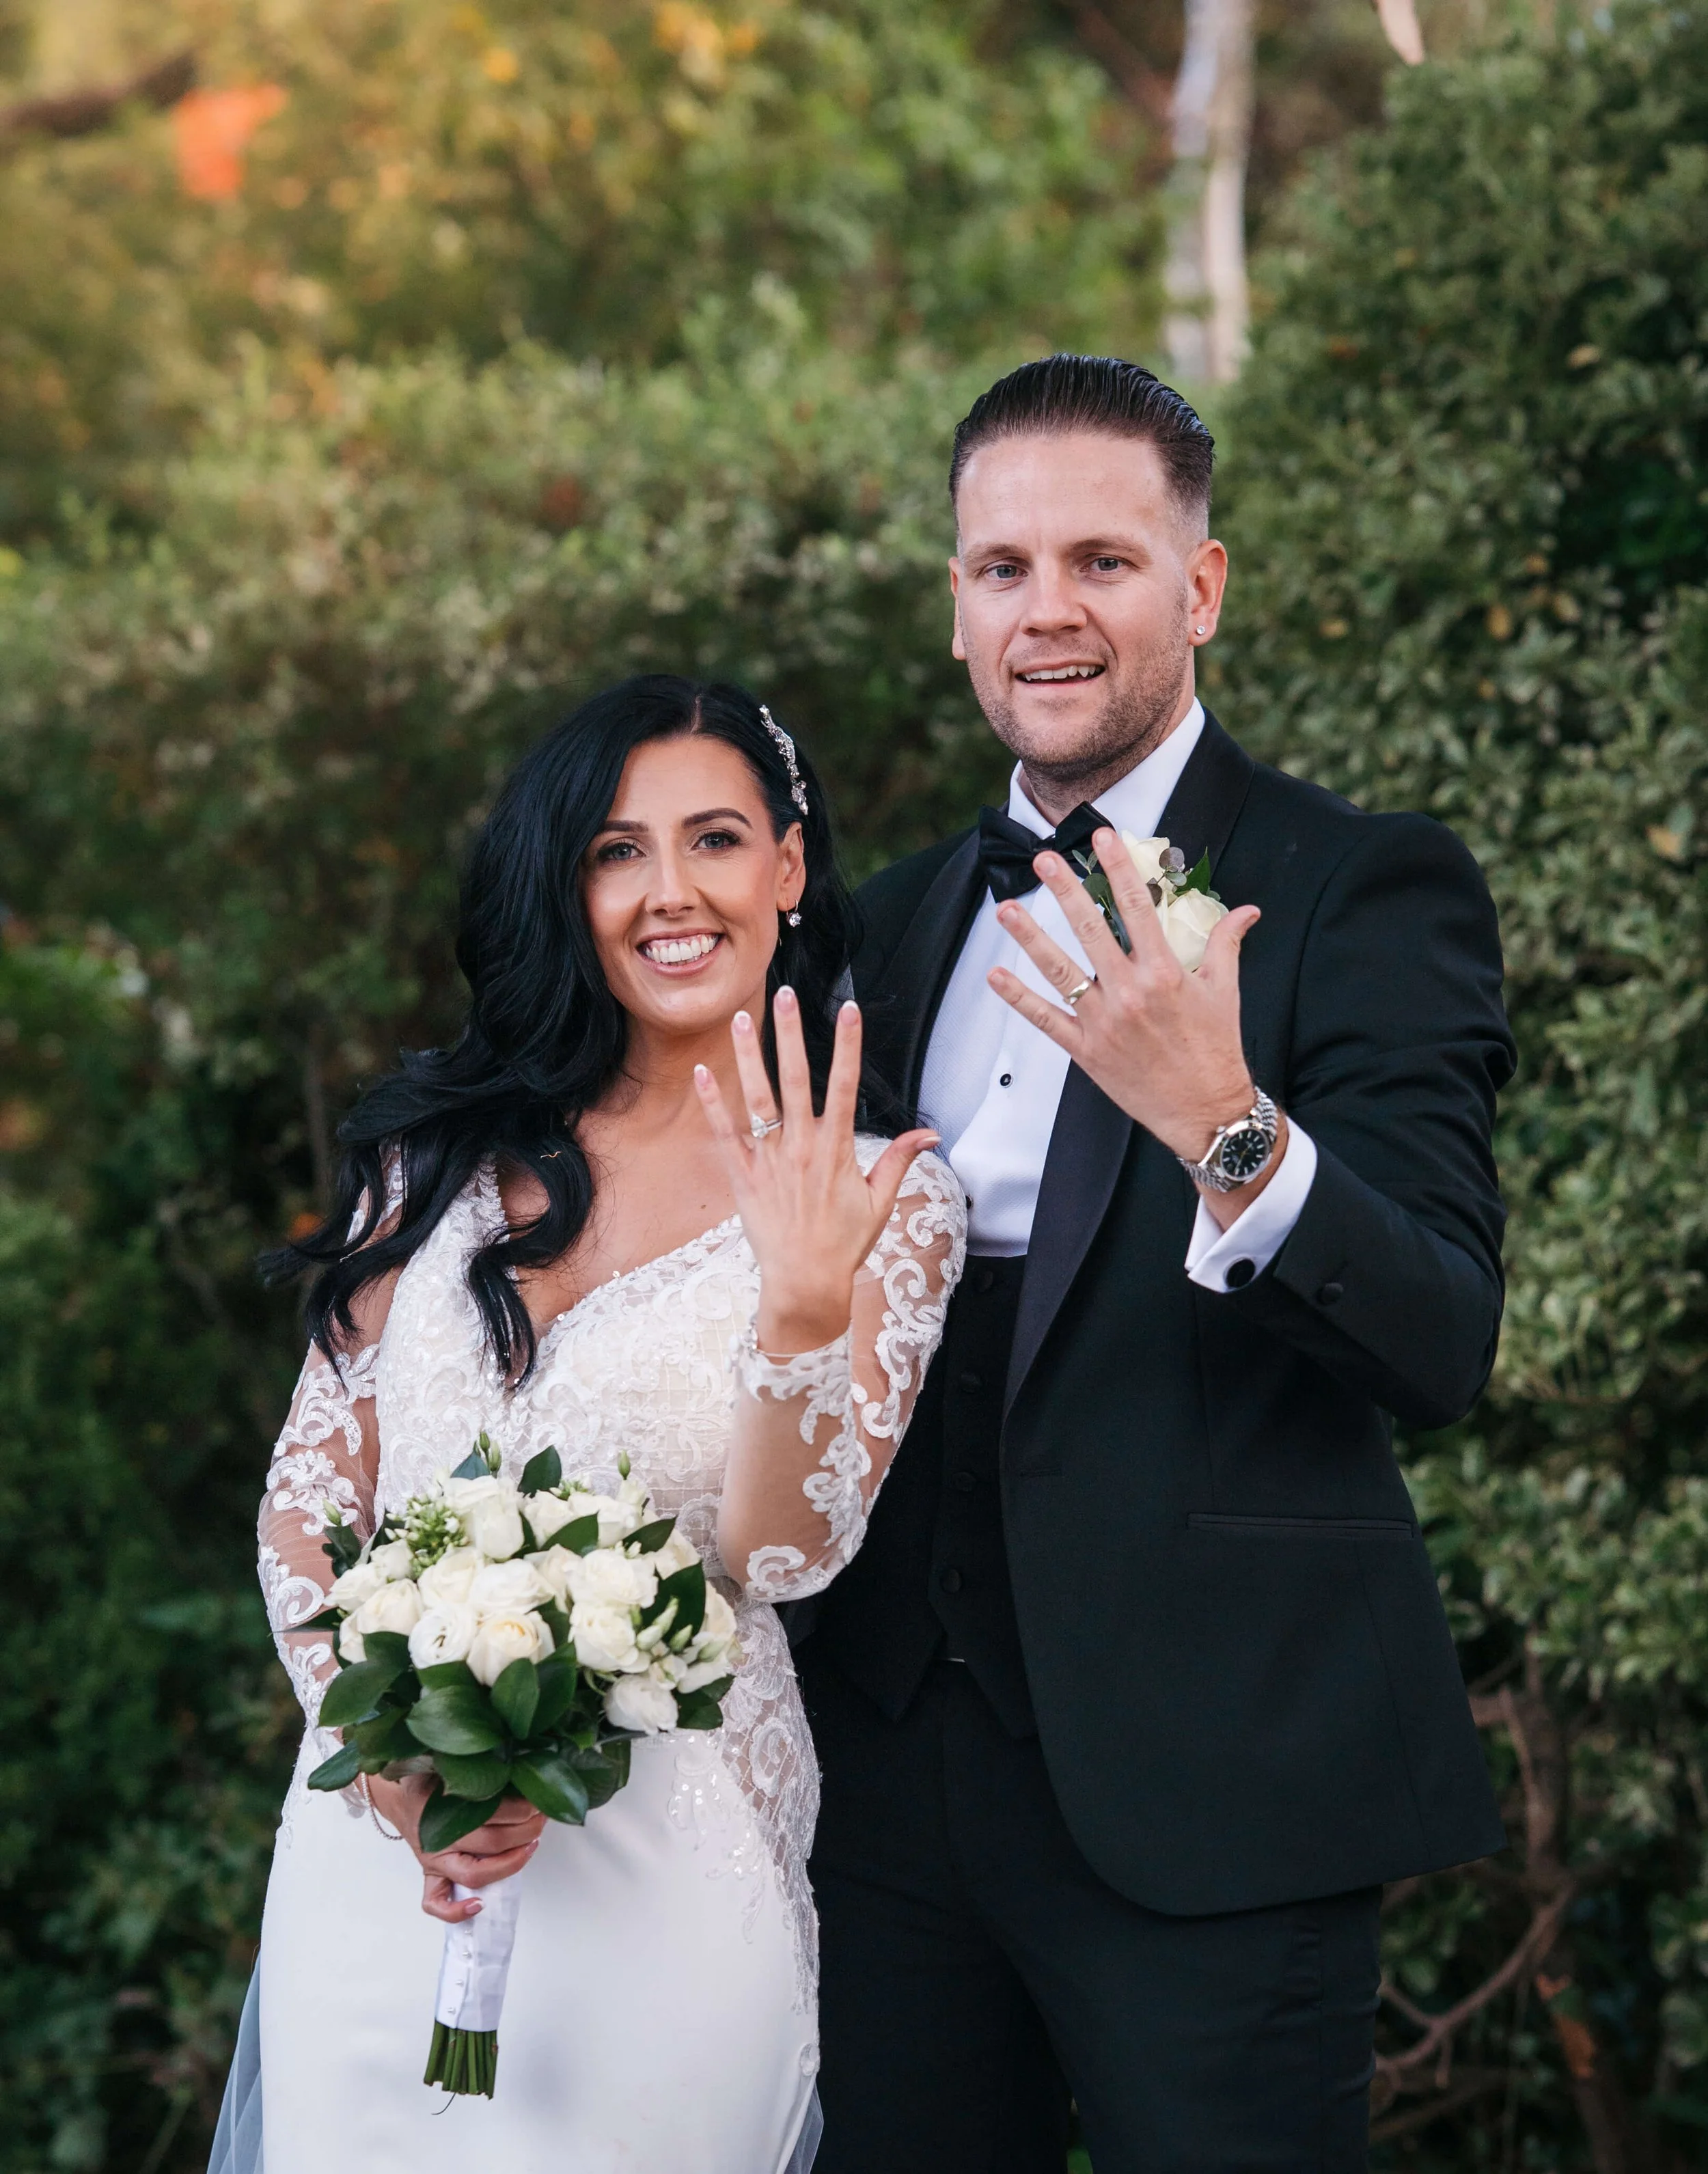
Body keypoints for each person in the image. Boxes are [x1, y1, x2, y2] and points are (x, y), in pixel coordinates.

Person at [795, 355, 1515, 2173]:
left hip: (1215, 1789)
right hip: (884, 1790)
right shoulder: (885, 922)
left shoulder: (1361, 885)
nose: (1048, 609)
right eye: (1001, 566)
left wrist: (1228, 1125)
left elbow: (1437, 1329)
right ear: (956, 607)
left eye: (1101, 561)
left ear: (1197, 589)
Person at [238, 676, 964, 2172]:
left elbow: (785, 1552)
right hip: (383, 1870)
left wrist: (799, 1313)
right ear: (567, 888)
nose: (667, 892)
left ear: (788, 865)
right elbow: (307, 1508)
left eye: (711, 839)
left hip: (669, 1875)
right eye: (615, 852)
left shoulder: (878, 1186)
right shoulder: (429, 1165)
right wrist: (387, 1762)